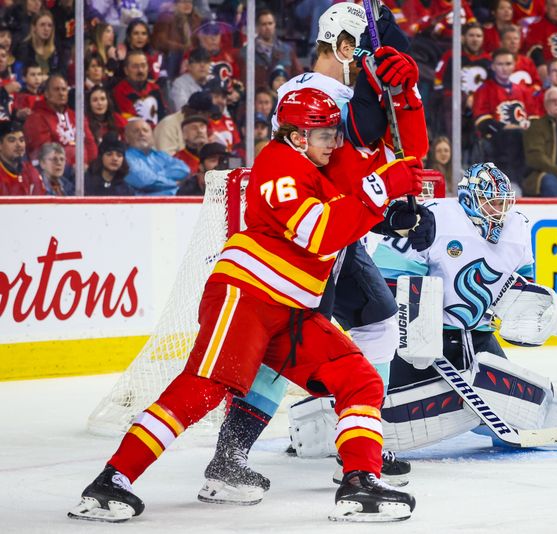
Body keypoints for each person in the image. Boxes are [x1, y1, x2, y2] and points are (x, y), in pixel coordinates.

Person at [68, 87, 422, 524]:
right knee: (203, 387)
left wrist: (408, 103)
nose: (335, 141)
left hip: (294, 309)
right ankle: (112, 480)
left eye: (335, 132)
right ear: (296, 137)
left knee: (359, 380)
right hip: (247, 296)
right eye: (325, 133)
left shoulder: (319, 165)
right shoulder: (279, 163)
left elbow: (388, 170)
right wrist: (379, 191)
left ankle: (359, 483)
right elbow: (318, 233)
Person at [364, 163, 557, 452]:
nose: (499, 211)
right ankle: (333, 423)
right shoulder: (433, 218)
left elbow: (522, 286)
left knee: (516, 419)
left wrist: (540, 312)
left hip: (478, 338)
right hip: (420, 341)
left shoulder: (518, 227)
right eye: (492, 203)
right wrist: (413, 331)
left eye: (504, 203)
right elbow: (391, 279)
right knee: (374, 401)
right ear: (469, 200)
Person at [472, 48, 538, 186]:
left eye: (508, 64)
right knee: (512, 137)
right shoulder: (484, 89)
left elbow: (533, 116)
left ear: (514, 66)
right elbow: (481, 121)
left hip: (523, 137)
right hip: (497, 139)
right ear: (493, 66)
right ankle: (511, 183)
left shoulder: (523, 91)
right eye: (500, 64)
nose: (504, 68)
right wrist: (504, 127)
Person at [23, 74, 97, 168]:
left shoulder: (76, 116)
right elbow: (44, 153)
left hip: (84, 170)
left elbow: (90, 144)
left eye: (64, 89)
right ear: (46, 94)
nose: (61, 93)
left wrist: (91, 167)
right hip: (55, 172)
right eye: (56, 89)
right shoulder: (36, 118)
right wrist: (70, 168)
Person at [124, 118, 190, 195]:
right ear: (127, 138)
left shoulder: (161, 155)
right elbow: (145, 182)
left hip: (175, 202)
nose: (142, 134)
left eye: (145, 130)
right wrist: (174, 183)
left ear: (152, 136)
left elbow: (184, 170)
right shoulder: (125, 158)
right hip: (142, 204)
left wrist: (155, 176)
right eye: (136, 131)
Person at [245, 8, 303, 88]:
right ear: (257, 27)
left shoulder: (287, 50)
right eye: (264, 24)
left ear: (274, 25)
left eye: (270, 23)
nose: (267, 27)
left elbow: (299, 76)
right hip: (259, 98)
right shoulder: (247, 52)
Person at [112, 50, 168, 125]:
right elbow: (129, 120)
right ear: (126, 70)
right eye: (135, 66)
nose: (140, 70)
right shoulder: (120, 91)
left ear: (148, 68)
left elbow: (163, 114)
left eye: (143, 65)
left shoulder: (155, 88)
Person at [0, 119, 44, 195]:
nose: (19, 145)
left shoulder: (31, 171)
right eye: (12, 140)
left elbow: (40, 204)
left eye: (21, 140)